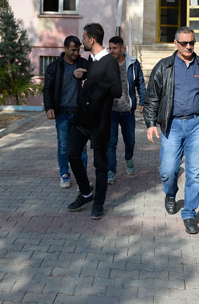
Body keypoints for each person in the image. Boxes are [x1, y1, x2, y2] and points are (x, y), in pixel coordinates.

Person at [144, 26, 199, 235]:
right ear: (176, 44)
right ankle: (170, 194)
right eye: (184, 43)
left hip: (198, 124)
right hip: (172, 124)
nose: (189, 47)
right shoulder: (164, 67)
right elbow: (152, 99)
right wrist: (151, 123)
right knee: (169, 170)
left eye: (192, 43)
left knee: (195, 173)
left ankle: (189, 213)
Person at [65, 23, 122, 220]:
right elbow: (95, 79)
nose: (82, 41)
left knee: (100, 164)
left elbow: (117, 90)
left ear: (92, 40)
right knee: (71, 153)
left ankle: (98, 204)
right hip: (82, 119)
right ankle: (86, 193)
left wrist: (94, 82)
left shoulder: (110, 62)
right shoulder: (91, 59)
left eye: (84, 37)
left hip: (100, 122)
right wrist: (83, 74)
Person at [42, 35, 89, 189]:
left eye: (78, 50)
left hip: (80, 113)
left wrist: (86, 75)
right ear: (65, 49)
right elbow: (47, 89)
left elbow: (95, 77)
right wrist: (49, 107)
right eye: (73, 50)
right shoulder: (54, 67)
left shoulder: (83, 64)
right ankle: (64, 175)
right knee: (63, 146)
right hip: (62, 114)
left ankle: (82, 177)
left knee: (81, 148)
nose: (76, 53)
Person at [106, 36, 146, 184]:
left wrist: (142, 100)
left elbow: (140, 83)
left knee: (130, 141)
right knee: (111, 142)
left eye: (114, 48)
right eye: (109, 48)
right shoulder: (106, 63)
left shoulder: (133, 63)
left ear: (123, 48)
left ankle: (129, 158)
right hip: (110, 111)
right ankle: (111, 170)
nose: (111, 51)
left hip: (127, 110)